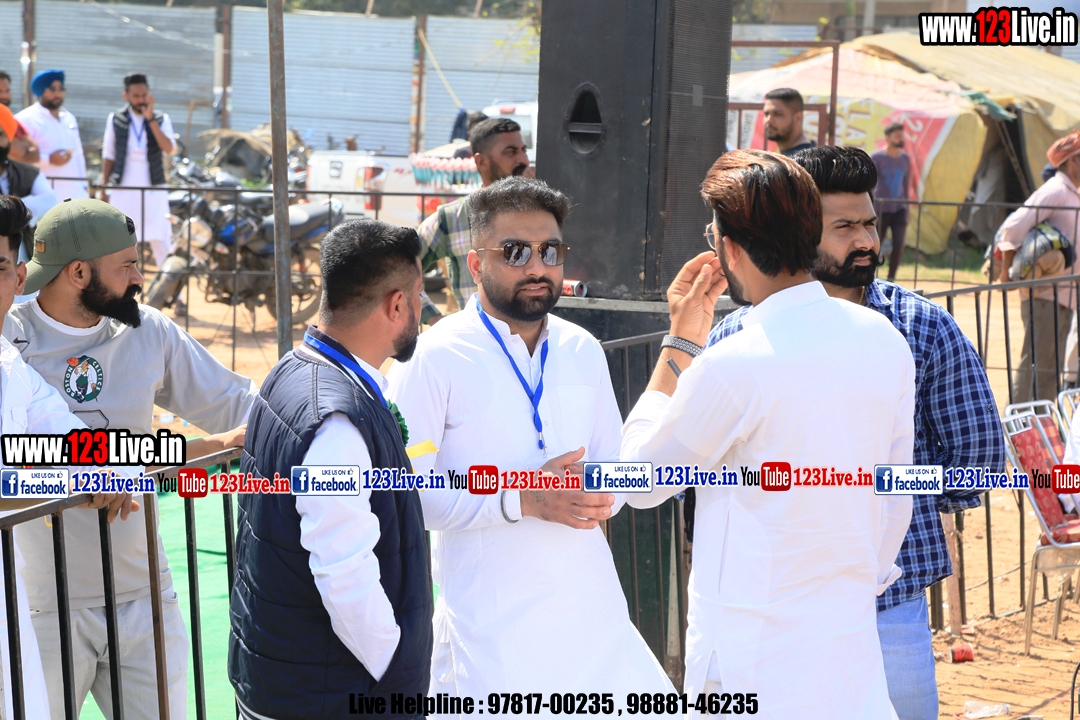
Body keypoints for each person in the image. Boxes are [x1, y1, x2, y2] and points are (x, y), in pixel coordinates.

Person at [705, 145, 1006, 720]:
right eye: (844, 228)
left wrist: (873, 492)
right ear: (797, 232)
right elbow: (699, 472)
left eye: (869, 223)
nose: (867, 240)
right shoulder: (737, 338)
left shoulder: (921, 328)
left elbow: (980, 466)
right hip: (769, 613)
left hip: (885, 609)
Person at [620, 149, 914, 718]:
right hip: (846, 649)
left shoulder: (735, 362)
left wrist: (680, 343)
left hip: (752, 658)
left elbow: (639, 482)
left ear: (728, 247)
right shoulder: (883, 339)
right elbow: (893, 496)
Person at [387, 177, 675, 707]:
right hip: (488, 639)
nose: (538, 267)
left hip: (593, 624)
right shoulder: (433, 357)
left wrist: (608, 489)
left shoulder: (583, 349)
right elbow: (405, 495)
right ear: (476, 265)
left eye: (551, 251)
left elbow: (615, 472)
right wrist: (522, 499)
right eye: (516, 252)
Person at [3, 198, 255, 720]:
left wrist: (316, 413)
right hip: (40, 604)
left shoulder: (148, 329)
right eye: (128, 266)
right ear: (78, 273)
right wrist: (189, 452)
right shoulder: (9, 341)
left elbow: (236, 401)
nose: (141, 277)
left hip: (142, 593)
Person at [231, 218, 433, 720]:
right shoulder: (337, 420)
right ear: (396, 305)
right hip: (328, 693)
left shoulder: (291, 368)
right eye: (419, 296)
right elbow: (344, 576)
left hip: (288, 676)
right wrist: (398, 669)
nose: (423, 309)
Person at [0, 195, 138, 720]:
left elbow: (69, 436)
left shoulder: (10, 363)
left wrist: (112, 471)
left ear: (18, 278)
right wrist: (79, 486)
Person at [994, 129, 1080, 403]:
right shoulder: (1056, 191)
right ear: (1072, 160)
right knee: (1035, 364)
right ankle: (1019, 421)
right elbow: (1015, 225)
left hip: (1064, 295)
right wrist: (1006, 274)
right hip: (1043, 294)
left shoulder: (1072, 194)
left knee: (1049, 369)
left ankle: (1041, 423)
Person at [418, 117, 530, 324]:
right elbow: (398, 271)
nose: (523, 160)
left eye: (524, 151)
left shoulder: (541, 214)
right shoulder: (452, 218)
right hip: (474, 340)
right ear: (481, 162)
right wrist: (435, 321)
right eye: (511, 152)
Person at [99, 74, 175, 267]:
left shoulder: (161, 119)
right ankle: (121, 284)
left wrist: (151, 120)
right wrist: (103, 187)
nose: (141, 100)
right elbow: (109, 154)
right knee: (121, 240)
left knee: (161, 239)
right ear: (126, 96)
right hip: (123, 190)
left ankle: (170, 284)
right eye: (136, 96)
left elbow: (169, 149)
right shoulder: (116, 119)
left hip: (154, 189)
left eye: (144, 95)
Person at [15, 70, 88, 201]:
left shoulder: (69, 118)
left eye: (61, 89)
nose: (58, 94)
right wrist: (49, 159)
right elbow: (17, 157)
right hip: (44, 194)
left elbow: (78, 155)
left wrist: (84, 185)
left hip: (76, 194)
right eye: (52, 89)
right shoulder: (25, 119)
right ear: (40, 91)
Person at [0, 104, 59, 256]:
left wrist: (11, 209)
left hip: (21, 259)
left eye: (0, 134)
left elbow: (50, 201)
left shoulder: (28, 173)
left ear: (9, 139)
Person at [872, 123, 914, 281]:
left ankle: (891, 278)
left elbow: (906, 184)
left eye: (902, 136)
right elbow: (870, 185)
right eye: (897, 136)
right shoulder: (876, 158)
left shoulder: (905, 159)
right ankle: (869, 276)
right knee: (875, 244)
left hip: (899, 208)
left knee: (899, 244)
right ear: (887, 138)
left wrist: (907, 209)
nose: (900, 139)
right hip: (880, 208)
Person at [0, 71, 42, 164]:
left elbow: (36, 155)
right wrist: (26, 149)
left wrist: (25, 153)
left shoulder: (14, 121)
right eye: (0, 91)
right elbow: (16, 152)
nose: (4, 96)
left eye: (7, 91)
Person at [763, 88, 814, 156]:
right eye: (767, 114)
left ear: (798, 118)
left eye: (778, 114)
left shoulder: (808, 159)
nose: (768, 120)